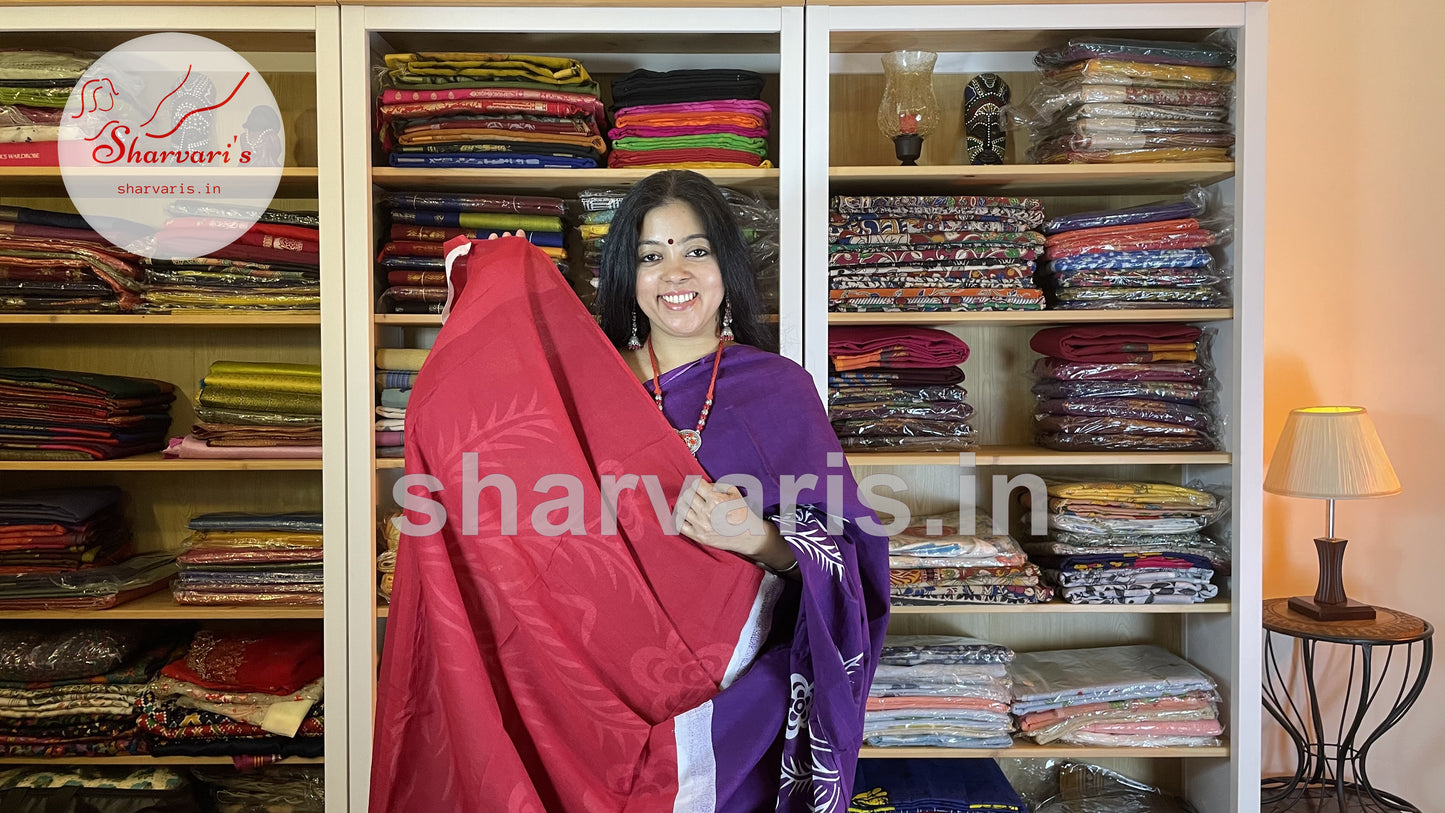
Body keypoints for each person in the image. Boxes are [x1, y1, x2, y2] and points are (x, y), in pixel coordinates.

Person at [371, 170, 889, 813]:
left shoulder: (779, 391)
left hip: (732, 716)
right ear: (629, 274)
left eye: (695, 251)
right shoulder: (584, 388)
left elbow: (852, 562)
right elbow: (481, 463)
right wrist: (491, 297)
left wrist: (759, 539)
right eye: (652, 256)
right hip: (580, 691)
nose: (676, 273)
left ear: (726, 265)